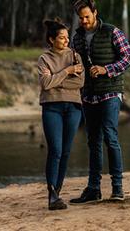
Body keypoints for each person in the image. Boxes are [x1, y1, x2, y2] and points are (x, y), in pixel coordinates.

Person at [69, 0, 130, 203]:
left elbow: (129, 58)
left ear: (95, 13)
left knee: (110, 136)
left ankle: (117, 188)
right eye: (81, 18)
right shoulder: (77, 37)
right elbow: (72, 61)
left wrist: (106, 69)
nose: (84, 21)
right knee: (93, 141)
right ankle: (93, 189)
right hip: (88, 94)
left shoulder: (112, 31)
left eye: (87, 17)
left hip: (110, 92)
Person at [38, 18, 85, 210]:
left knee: (65, 152)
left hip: (73, 107)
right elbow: (45, 84)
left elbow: (80, 83)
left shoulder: (75, 55)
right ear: (51, 39)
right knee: (55, 150)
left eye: (67, 37)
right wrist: (68, 71)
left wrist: (56, 79)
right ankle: (51, 196)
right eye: (62, 38)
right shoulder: (44, 59)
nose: (66, 41)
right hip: (52, 108)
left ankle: (57, 193)